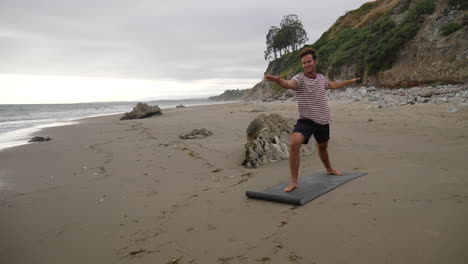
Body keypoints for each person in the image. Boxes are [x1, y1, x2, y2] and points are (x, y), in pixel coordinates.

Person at [265, 48, 360, 192]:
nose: (307, 64)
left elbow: (333, 85)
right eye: (304, 63)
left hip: (323, 120)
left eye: (309, 61)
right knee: (294, 143)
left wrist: (349, 81)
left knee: (322, 148)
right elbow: (290, 84)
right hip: (306, 121)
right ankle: (294, 182)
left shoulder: (321, 79)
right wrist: (280, 82)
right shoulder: (299, 79)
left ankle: (329, 169)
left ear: (315, 61)